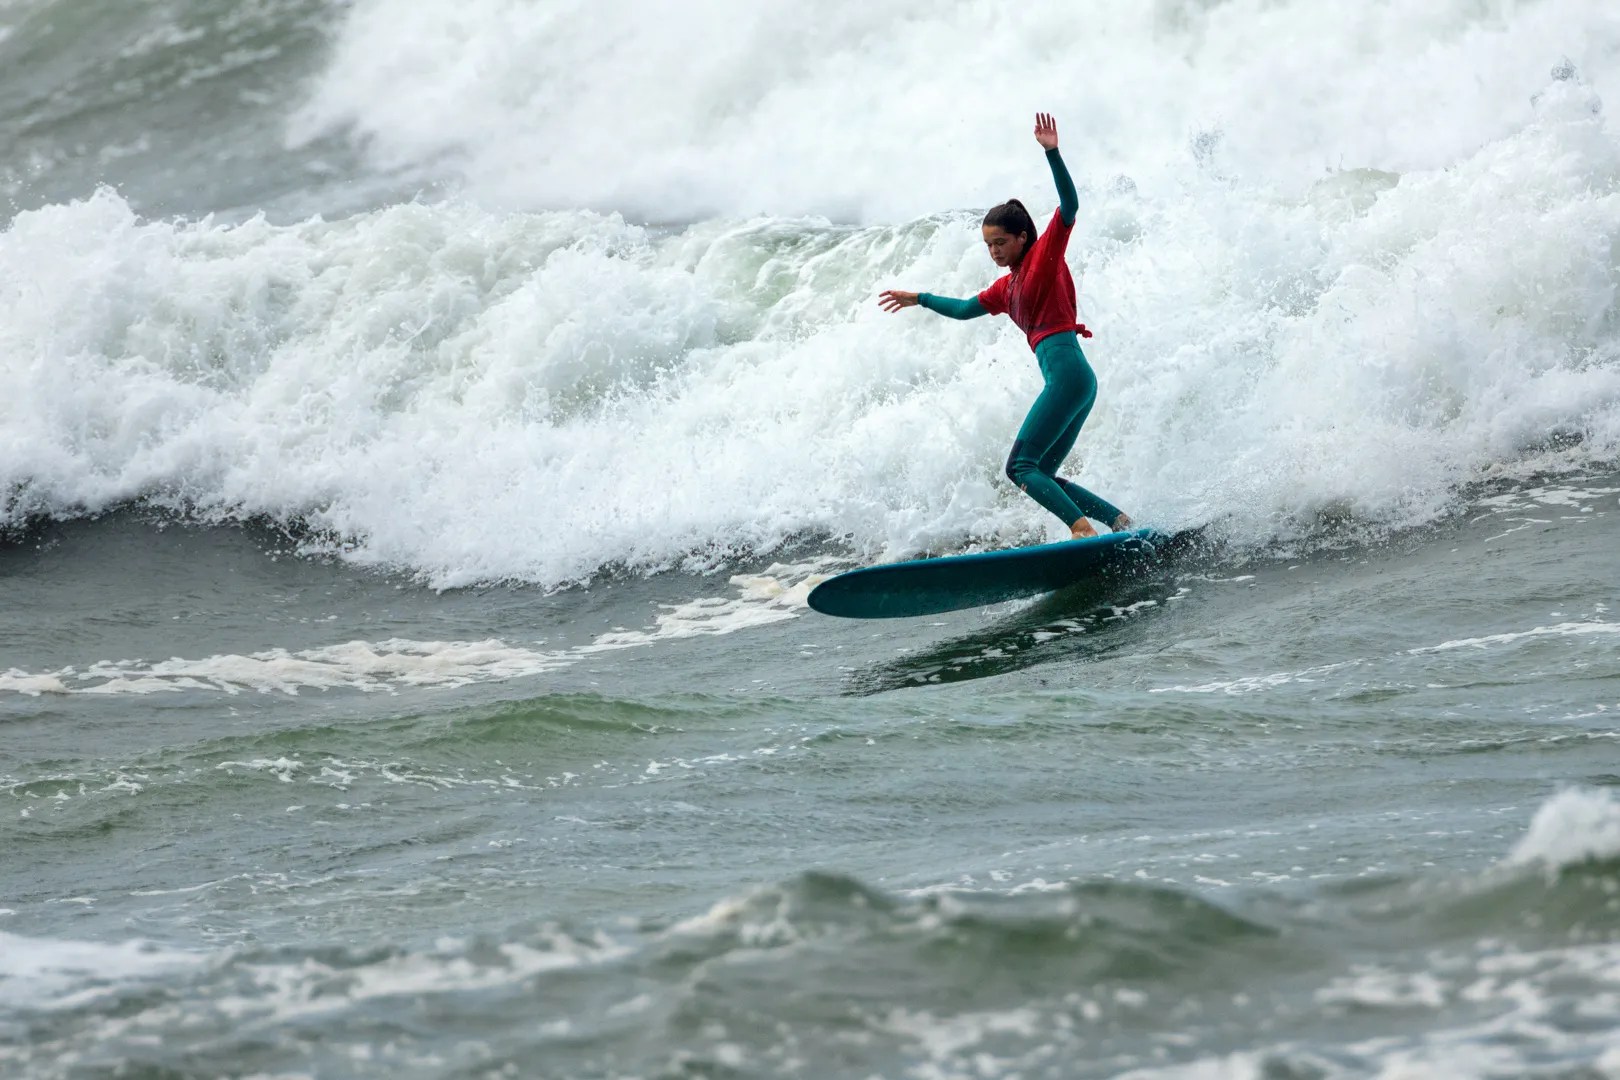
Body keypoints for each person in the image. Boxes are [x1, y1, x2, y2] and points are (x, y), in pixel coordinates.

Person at [879, 112, 1132, 540]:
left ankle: (1082, 531)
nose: (994, 251)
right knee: (1044, 473)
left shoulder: (1043, 257)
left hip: (1068, 374)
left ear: (1022, 237)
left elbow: (1069, 207)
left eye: (1001, 242)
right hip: (1073, 379)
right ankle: (1120, 522)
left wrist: (1052, 153)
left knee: (1019, 467)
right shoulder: (1006, 287)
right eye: (988, 245)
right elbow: (962, 309)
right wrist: (919, 297)